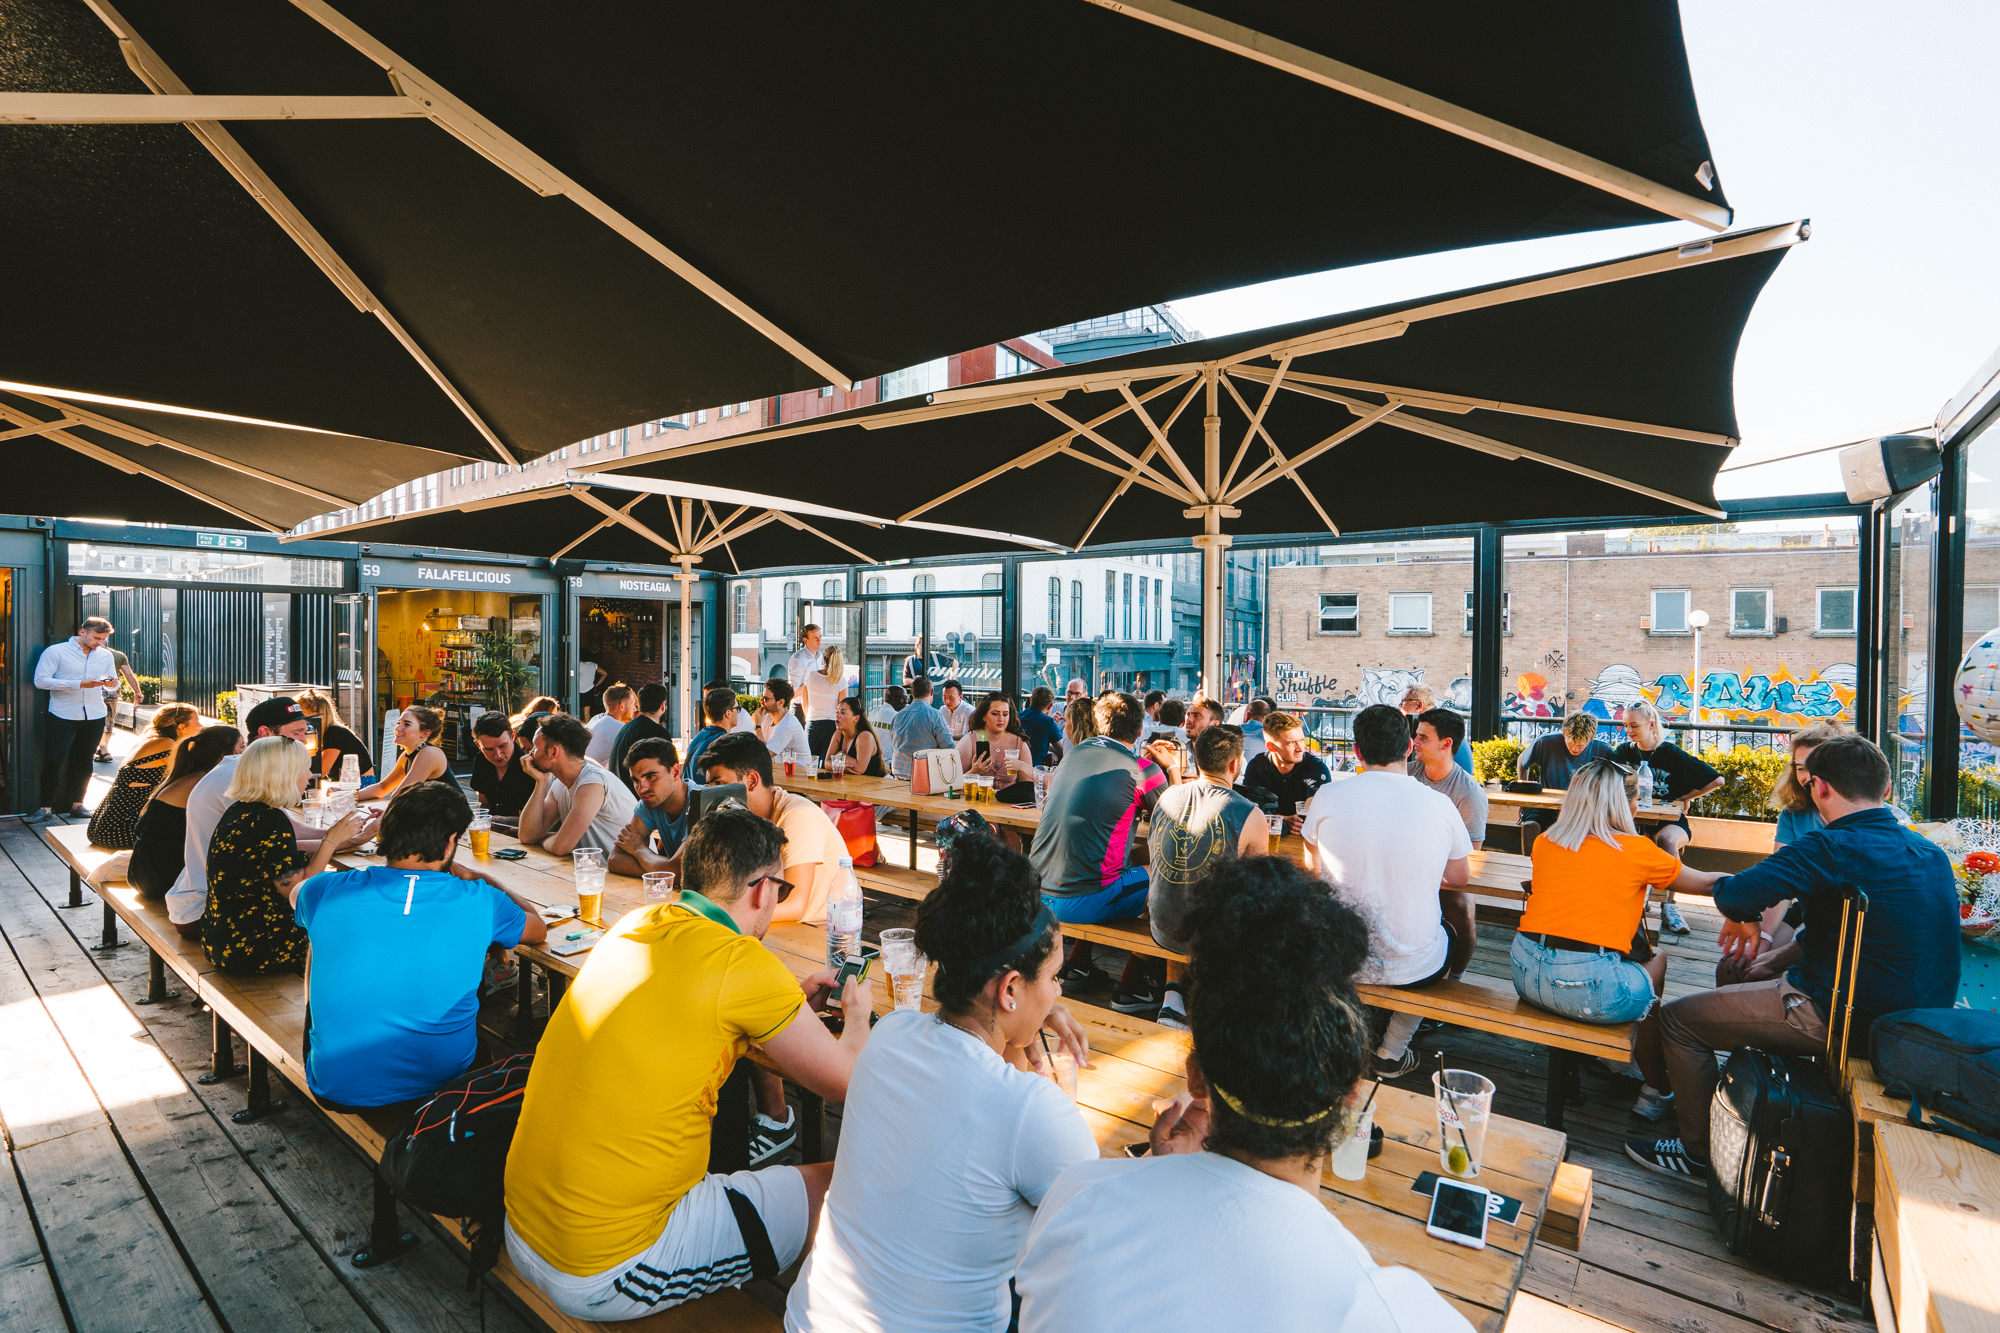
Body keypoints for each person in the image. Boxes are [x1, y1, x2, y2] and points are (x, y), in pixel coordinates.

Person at [1014, 856, 1469, 1332]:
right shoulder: (1391, 1313)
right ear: (1351, 1096)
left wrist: (1151, 1173)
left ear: (1195, 1079)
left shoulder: (1077, 1201)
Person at [503, 805, 872, 1321]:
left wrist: (786, 1006)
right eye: (782, 891)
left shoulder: (637, 922)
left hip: (523, 1225)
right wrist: (858, 1016)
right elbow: (847, 1082)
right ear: (763, 890)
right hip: (607, 1265)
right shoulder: (742, 962)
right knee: (854, 1184)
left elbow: (696, 1005)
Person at [785, 837, 1095, 1332]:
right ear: (1010, 987)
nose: (1059, 992)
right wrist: (1063, 1103)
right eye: (1057, 978)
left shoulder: (890, 1036)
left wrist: (1029, 1013)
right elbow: (1092, 1229)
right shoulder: (1034, 1112)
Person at [1627, 736, 1961, 1182]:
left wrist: (1746, 918)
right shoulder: (1930, 854)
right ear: (1884, 791)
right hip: (1916, 1023)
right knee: (1739, 977)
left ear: (1818, 788)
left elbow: (1735, 893)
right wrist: (1772, 959)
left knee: (1677, 1021)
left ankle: (1698, 1153)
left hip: (1842, 1018)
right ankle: (1737, 1104)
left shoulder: (1829, 846)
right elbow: (1856, 932)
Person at [292, 780, 547, 1108]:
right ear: (449, 844)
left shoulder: (324, 890)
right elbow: (537, 928)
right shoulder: (481, 900)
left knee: (321, 933)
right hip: (442, 1084)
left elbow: (298, 893)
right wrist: (478, 878)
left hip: (336, 1086)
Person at [1514, 761, 1721, 1121]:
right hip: (1590, 990)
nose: (1638, 805)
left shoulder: (1545, 842)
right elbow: (1705, 883)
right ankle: (1655, 1087)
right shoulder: (1635, 849)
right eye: (1637, 797)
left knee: (1598, 955)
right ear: (1622, 803)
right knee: (1657, 959)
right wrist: (1765, 882)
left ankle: (1621, 1062)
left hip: (1524, 973)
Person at [1301, 704, 1471, 1079]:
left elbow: (1314, 869)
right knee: (1447, 936)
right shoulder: (1440, 804)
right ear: (1410, 747)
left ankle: (1338, 1038)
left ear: (1357, 752)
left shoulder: (1327, 796)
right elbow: (1459, 878)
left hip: (1341, 958)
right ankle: (1392, 1049)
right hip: (1415, 966)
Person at [165, 697, 374, 940]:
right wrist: (341, 841)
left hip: (220, 912)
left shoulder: (250, 779)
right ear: (266, 733)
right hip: (206, 911)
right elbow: (286, 851)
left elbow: (288, 832)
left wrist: (350, 834)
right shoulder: (242, 784)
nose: (305, 740)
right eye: (296, 733)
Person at [1028, 692, 1167, 1010]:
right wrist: (1171, 769)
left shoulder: (1070, 760)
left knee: (1138, 857)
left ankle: (1078, 963)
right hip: (1079, 900)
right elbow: (1179, 826)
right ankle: (1134, 986)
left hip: (1036, 890)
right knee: (1172, 874)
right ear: (1139, 730)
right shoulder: (1143, 770)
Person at [204, 737, 361, 975]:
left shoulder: (242, 809)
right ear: (283, 774)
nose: (310, 775)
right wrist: (331, 841)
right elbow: (298, 893)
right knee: (357, 923)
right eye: (304, 769)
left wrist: (346, 837)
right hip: (255, 949)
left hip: (223, 940)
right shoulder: (268, 820)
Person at [1148, 724, 1266, 1030]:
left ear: (1198, 760)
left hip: (1162, 920)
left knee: (1183, 890)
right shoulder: (1250, 812)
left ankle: (1172, 998)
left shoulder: (1167, 797)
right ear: (1234, 764)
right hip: (1209, 935)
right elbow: (1259, 889)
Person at [1717, 722, 1849, 988]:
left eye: (1814, 765)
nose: (1806, 775)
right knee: (1736, 965)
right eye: (1799, 767)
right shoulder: (1793, 814)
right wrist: (1763, 937)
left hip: (1842, 919)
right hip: (1806, 904)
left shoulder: (1857, 811)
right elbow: (1782, 885)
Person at [697, 732, 847, 928]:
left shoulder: (798, 816)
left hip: (817, 932)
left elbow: (795, 906)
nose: (711, 792)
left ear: (751, 781)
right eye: (709, 784)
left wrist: (717, 917)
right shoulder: (740, 819)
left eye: (719, 784)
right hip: (774, 925)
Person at [1613, 702, 1723, 935]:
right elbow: (1602, 776)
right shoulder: (1623, 752)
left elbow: (1717, 780)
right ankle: (1627, 903)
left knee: (1667, 842)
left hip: (1671, 822)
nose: (1628, 730)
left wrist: (1684, 797)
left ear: (1651, 724)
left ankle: (1669, 906)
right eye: (1625, 725)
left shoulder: (1670, 753)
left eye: (1634, 725)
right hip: (1634, 819)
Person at [1410, 708, 1487, 980]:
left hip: (1445, 870)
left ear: (1446, 744)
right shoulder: (1407, 774)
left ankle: (1455, 978)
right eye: (1416, 736)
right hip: (1406, 863)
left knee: (1458, 903)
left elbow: (1472, 854)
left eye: (1423, 738)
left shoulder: (1468, 792)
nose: (1414, 742)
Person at [128, 725, 242, 907]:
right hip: (159, 878)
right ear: (224, 756)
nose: (245, 753)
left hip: (143, 871)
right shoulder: (206, 781)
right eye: (242, 747)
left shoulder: (188, 777)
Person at [518, 713, 640, 861]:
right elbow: (527, 835)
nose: (531, 753)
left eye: (536, 746)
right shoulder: (560, 784)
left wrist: (542, 840)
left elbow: (560, 848)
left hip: (629, 879)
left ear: (553, 752)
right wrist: (540, 783)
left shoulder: (592, 783)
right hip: (597, 875)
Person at [32, 615, 118, 820]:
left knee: (85, 760)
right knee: (54, 760)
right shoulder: (56, 652)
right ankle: (45, 807)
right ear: (82, 632)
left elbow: (114, 682)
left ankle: (78, 804)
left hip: (95, 714)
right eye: (97, 638)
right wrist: (78, 683)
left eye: (104, 639)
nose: (100, 643)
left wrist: (112, 683)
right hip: (63, 714)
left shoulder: (105, 655)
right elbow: (40, 681)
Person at [88, 703, 200, 850]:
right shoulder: (167, 744)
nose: (200, 726)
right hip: (121, 829)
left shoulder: (151, 741)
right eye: (197, 722)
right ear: (181, 727)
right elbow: (190, 776)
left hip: (105, 823)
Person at [1238, 711, 1330, 837]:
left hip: (1303, 839)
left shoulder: (1315, 768)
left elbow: (1313, 809)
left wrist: (1281, 819)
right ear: (1271, 747)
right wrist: (1284, 820)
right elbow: (1248, 809)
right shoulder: (1257, 766)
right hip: (1266, 838)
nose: (1300, 748)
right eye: (1292, 743)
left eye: (1302, 740)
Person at [615, 737, 692, 873]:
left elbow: (679, 870)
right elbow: (615, 860)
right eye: (635, 780)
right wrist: (664, 870)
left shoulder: (701, 804)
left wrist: (639, 850)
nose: (642, 788)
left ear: (675, 772)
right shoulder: (649, 802)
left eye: (650, 777)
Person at [358, 706, 449, 801]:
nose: (397, 728)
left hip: (452, 814)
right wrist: (348, 798)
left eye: (406, 724)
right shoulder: (407, 755)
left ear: (425, 733)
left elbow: (400, 795)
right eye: (399, 723)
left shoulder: (429, 753)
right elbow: (382, 787)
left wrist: (384, 814)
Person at [958, 692, 1036, 803]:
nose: (1001, 719)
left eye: (1005, 714)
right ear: (984, 716)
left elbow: (1026, 787)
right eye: (995, 714)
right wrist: (974, 771)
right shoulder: (970, 739)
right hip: (978, 803)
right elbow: (952, 784)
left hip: (1009, 805)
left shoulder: (1019, 742)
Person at [1516, 713, 1617, 798]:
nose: (1574, 749)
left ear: (1590, 738)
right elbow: (1522, 760)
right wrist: (1523, 791)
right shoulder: (1545, 742)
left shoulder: (1605, 750)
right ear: (1564, 734)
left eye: (1580, 745)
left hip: (1585, 806)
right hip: (1548, 801)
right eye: (1570, 743)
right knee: (1530, 822)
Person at [470, 711, 536, 821]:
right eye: (489, 749)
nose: (498, 755)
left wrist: (501, 821)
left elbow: (532, 819)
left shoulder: (528, 764)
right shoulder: (481, 760)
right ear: (478, 745)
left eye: (502, 746)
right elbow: (483, 804)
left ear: (513, 736)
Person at [298, 690, 374, 783]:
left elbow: (320, 770)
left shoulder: (334, 733)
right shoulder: (330, 732)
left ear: (314, 715)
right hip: (347, 782)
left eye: (302, 715)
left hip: (360, 784)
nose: (298, 720)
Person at [609, 683, 672, 792]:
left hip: (619, 794)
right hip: (638, 798)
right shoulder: (658, 733)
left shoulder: (627, 728)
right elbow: (668, 775)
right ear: (662, 705)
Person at [889, 677, 954, 782]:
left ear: (912, 692)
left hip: (898, 774)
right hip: (924, 777)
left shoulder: (898, 716)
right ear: (932, 691)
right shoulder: (935, 715)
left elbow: (893, 743)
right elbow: (948, 747)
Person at [757, 678, 813, 769]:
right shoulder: (767, 717)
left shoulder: (787, 725)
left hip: (798, 776)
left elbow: (763, 756)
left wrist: (757, 726)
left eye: (766, 699)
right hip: (781, 772)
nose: (761, 701)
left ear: (781, 702)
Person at [685, 686, 739, 780]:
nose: (738, 712)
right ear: (728, 713)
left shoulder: (700, 736)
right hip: (708, 793)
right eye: (737, 708)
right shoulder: (723, 742)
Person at [825, 695, 885, 779]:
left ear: (856, 718)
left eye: (843, 712)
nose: (838, 715)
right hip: (851, 785)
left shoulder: (865, 736)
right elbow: (827, 763)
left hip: (872, 787)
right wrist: (843, 767)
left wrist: (840, 755)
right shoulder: (838, 734)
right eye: (837, 712)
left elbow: (859, 769)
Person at [803, 647, 845, 759]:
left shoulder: (811, 676)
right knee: (826, 765)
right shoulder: (841, 681)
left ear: (824, 660)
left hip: (811, 724)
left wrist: (809, 719)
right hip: (830, 725)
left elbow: (804, 703)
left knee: (810, 764)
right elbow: (843, 709)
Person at [585, 683, 635, 765]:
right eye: (632, 705)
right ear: (621, 706)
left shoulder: (596, 719)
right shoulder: (623, 730)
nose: (635, 709)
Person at [1019, 686, 1063, 768]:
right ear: (1050, 706)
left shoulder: (1017, 716)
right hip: (1033, 771)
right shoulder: (1048, 722)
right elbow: (1064, 750)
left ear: (1031, 699)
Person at [869, 685, 906, 777]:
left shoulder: (874, 712)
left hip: (870, 762)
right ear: (890, 697)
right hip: (887, 766)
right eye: (903, 698)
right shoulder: (897, 716)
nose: (906, 702)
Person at [787, 624, 825, 696]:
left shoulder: (820, 656)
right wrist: (815, 683)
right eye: (815, 637)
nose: (819, 640)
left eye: (820, 636)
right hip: (799, 704)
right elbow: (793, 692)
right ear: (805, 640)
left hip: (813, 703)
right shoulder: (798, 659)